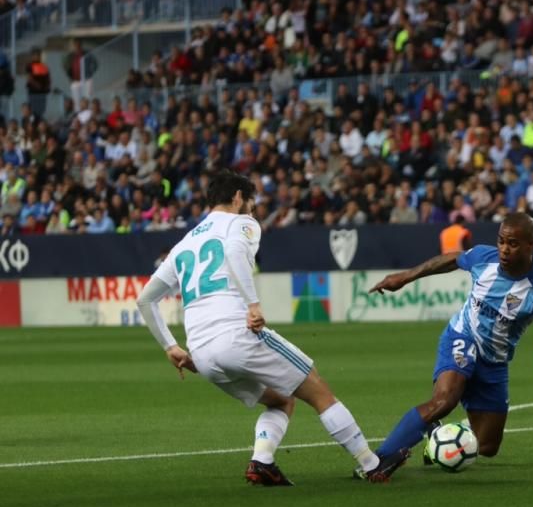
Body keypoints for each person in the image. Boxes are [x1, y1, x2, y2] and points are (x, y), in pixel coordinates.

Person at [135, 171, 407, 485]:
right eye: (250, 204)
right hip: (236, 333)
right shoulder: (241, 222)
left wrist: (170, 347)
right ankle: (372, 465)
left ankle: (262, 461)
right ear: (238, 197)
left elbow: (145, 300)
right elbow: (235, 252)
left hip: (201, 352)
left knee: (281, 400)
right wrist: (252, 305)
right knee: (318, 391)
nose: (251, 211)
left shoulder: (184, 244)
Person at [367, 212, 533, 474]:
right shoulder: (484, 257)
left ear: (532, 245)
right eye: (501, 241)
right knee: (444, 401)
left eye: (513, 244)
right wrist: (405, 277)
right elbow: (452, 259)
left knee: (486, 446)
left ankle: (434, 436)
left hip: (494, 361)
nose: (504, 250)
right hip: (462, 336)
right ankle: (377, 460)